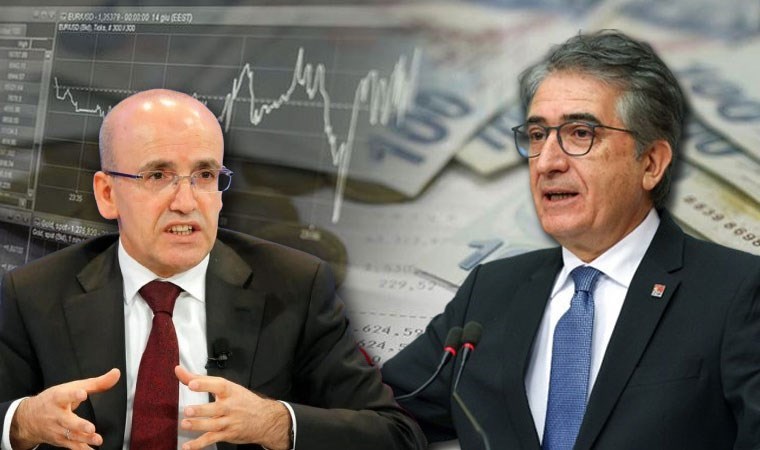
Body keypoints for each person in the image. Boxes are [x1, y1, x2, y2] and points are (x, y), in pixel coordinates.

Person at [381, 29, 760, 450]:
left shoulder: (738, 292)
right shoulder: (489, 292)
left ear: (651, 163)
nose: (547, 162)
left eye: (580, 133)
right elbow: (384, 413)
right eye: (537, 135)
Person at [0, 89, 426, 450]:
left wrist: (277, 423)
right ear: (108, 194)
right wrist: (21, 424)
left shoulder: (296, 286)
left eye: (204, 175)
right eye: (158, 175)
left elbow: (397, 434)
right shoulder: (34, 293)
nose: (186, 202)